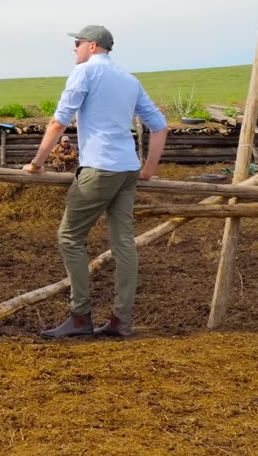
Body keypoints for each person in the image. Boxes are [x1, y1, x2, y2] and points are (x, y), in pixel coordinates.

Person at [23, 25, 169, 338]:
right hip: (127, 170)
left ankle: (80, 317)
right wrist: (148, 170)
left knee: (69, 237)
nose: (74, 49)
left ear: (91, 45)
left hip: (99, 168)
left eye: (77, 44)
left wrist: (37, 163)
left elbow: (59, 120)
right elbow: (160, 127)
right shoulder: (130, 80)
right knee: (123, 242)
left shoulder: (85, 73)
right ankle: (120, 320)